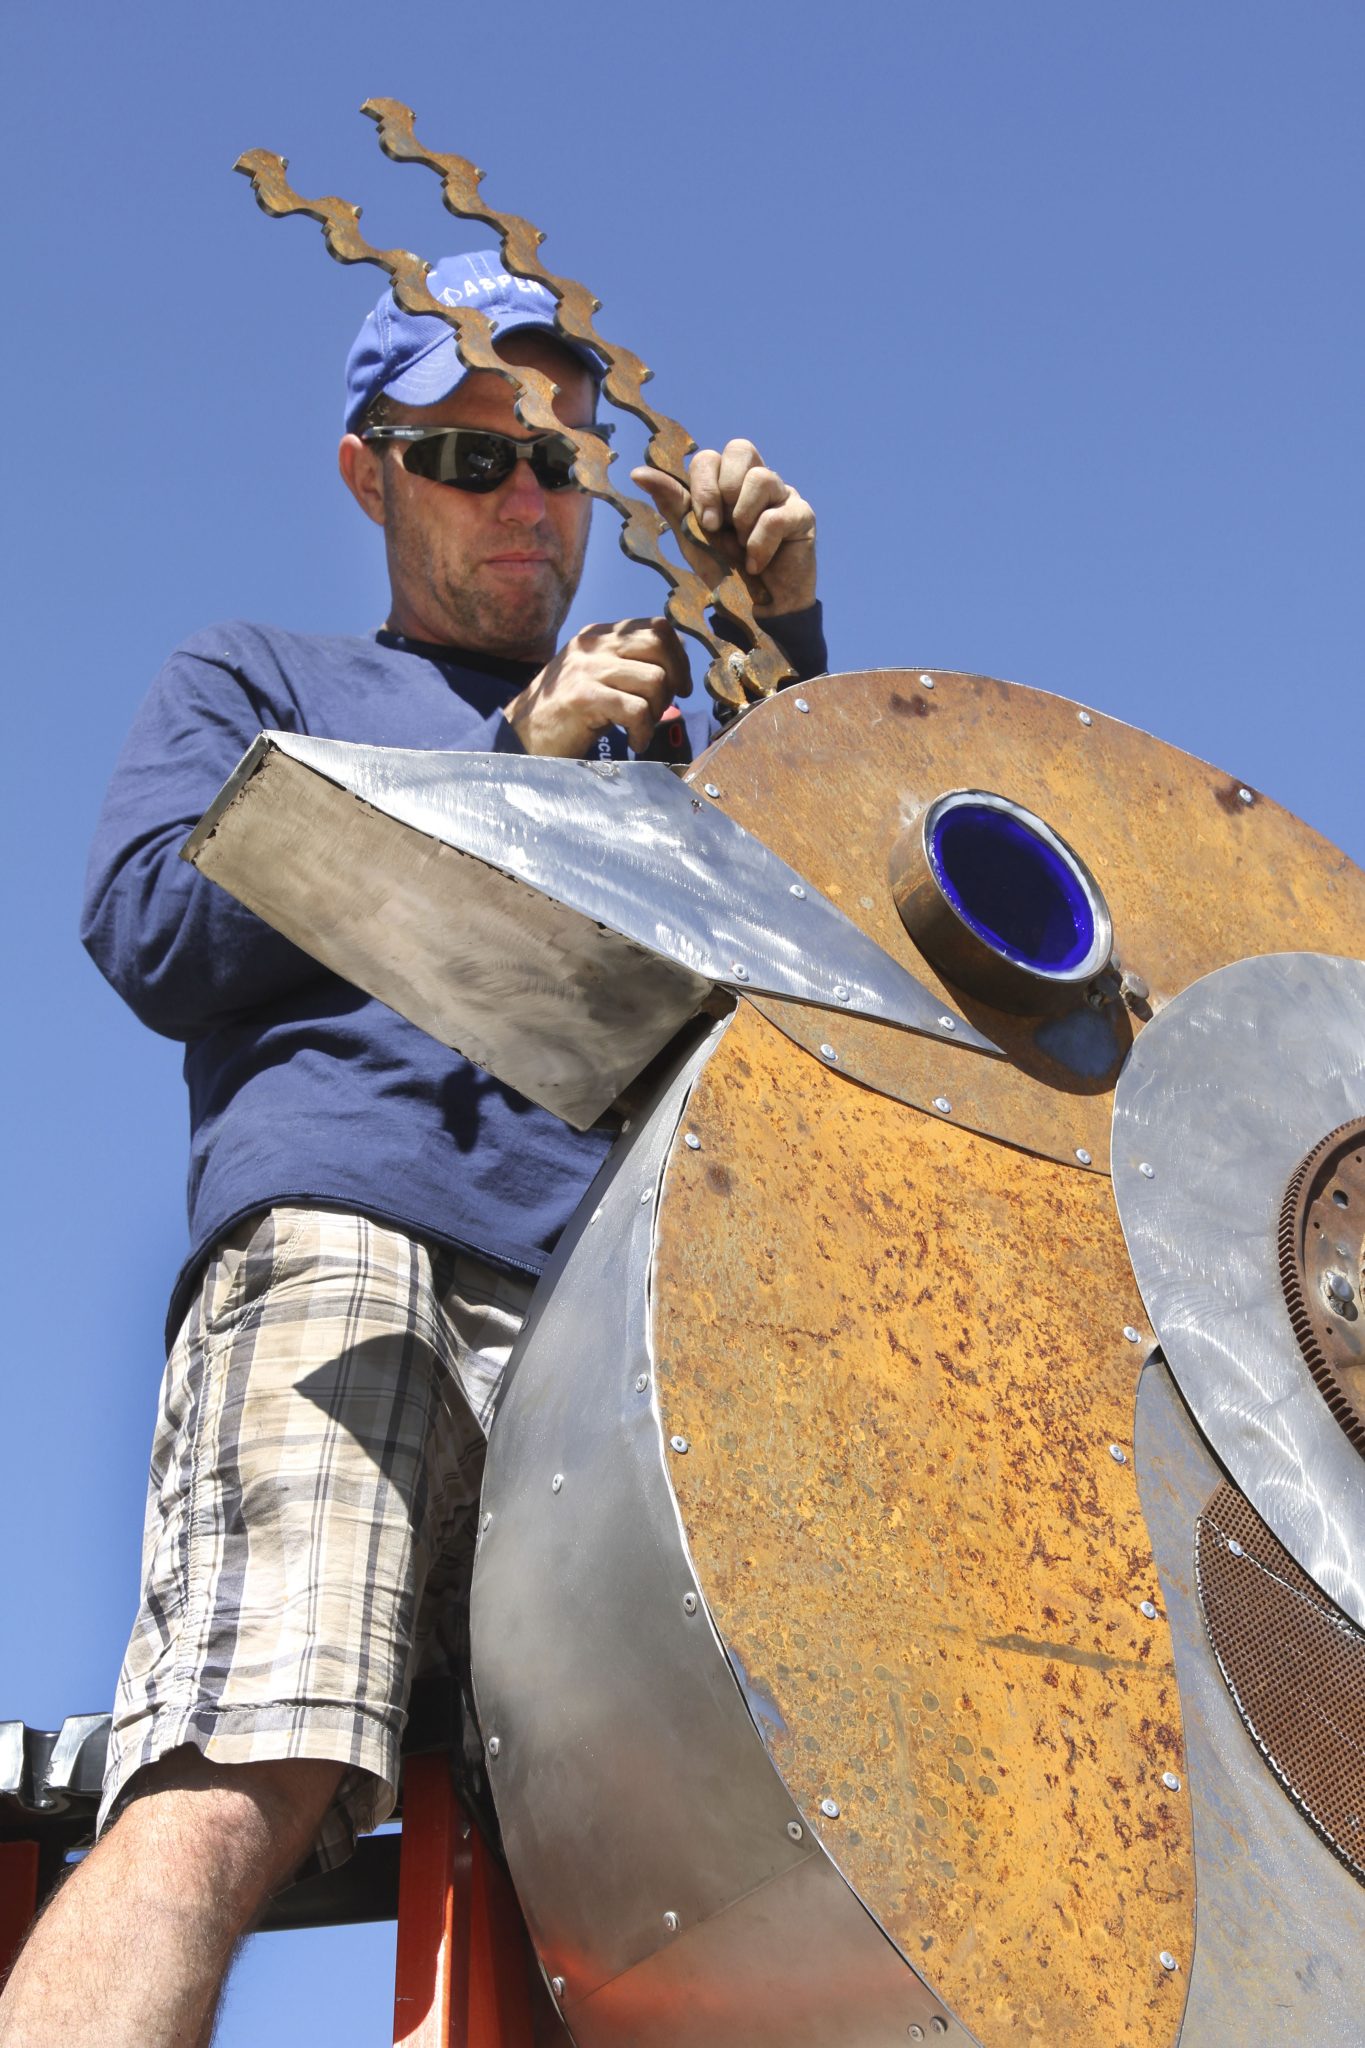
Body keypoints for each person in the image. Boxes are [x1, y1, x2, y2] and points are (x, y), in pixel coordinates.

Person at [0, 251, 823, 2048]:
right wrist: (507, 766)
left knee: (693, 1894)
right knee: (244, 1764)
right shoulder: (262, 681)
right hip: (356, 1246)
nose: (521, 497)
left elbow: (829, 988)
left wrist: (781, 648)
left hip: (633, 1335)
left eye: (558, 460)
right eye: (465, 458)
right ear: (369, 475)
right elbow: (150, 930)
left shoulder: (668, 752)